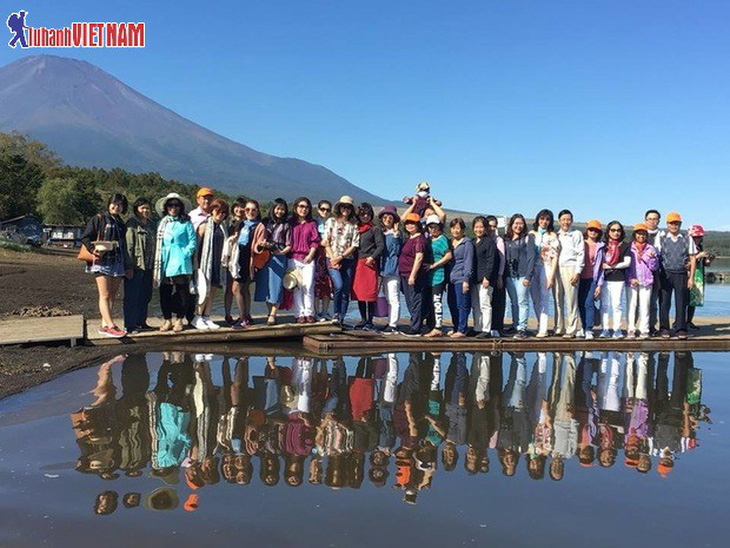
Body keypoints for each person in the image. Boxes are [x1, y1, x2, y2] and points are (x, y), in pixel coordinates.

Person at [81, 193, 131, 338]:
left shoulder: (121, 223)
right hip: (101, 261)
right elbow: (85, 237)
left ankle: (104, 324)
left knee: (113, 295)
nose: (116, 207)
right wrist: (93, 250)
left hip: (117, 261)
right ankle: (111, 325)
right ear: (109, 204)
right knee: (104, 294)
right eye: (114, 203)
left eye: (120, 205)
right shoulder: (99, 218)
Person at [153, 193, 197, 333]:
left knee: (183, 292)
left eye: (176, 205)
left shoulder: (186, 222)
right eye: (170, 205)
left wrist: (184, 254)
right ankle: (167, 320)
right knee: (164, 292)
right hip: (164, 260)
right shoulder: (161, 223)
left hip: (180, 261)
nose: (173, 208)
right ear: (166, 207)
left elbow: (192, 242)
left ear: (181, 207)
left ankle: (179, 319)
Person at [225, 198, 266, 328]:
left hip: (249, 260)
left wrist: (260, 246)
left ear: (258, 211)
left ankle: (243, 319)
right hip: (239, 259)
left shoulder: (260, 226)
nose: (250, 212)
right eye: (247, 209)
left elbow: (258, 246)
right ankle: (247, 315)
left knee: (236, 288)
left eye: (253, 210)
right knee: (244, 289)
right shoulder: (242, 223)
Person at [655, 212, 697, 339]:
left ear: (680, 224)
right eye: (671, 223)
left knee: (681, 302)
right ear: (667, 224)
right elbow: (656, 257)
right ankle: (664, 328)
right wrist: (656, 276)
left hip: (681, 274)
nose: (674, 226)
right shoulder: (661, 237)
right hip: (665, 273)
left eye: (676, 223)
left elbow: (693, 258)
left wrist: (691, 278)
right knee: (664, 302)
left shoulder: (687, 238)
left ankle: (681, 329)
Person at [193, 199, 229, 330]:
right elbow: (196, 247)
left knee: (213, 290)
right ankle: (197, 316)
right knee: (203, 291)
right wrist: (195, 265)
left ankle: (207, 316)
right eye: (218, 211)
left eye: (224, 212)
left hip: (217, 263)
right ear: (212, 210)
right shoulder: (204, 225)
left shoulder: (222, 227)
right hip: (204, 263)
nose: (221, 214)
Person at [255, 198, 292, 325]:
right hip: (265, 255)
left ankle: (273, 314)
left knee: (276, 285)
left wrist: (281, 253)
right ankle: (269, 311)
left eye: (282, 209)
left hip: (279, 256)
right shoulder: (266, 222)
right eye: (278, 208)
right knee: (265, 285)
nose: (280, 211)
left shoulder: (286, 225)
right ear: (273, 208)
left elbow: (289, 244)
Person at [323, 196, 360, 325]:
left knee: (345, 289)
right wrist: (334, 258)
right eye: (343, 206)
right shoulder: (331, 222)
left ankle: (341, 318)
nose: (346, 209)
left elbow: (354, 245)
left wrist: (341, 257)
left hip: (347, 260)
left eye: (348, 207)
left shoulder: (354, 225)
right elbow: (326, 241)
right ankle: (336, 313)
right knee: (338, 285)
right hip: (332, 259)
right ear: (339, 207)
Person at [123, 197, 156, 334]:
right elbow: (128, 246)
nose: (145, 210)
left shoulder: (151, 225)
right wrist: (129, 266)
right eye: (143, 208)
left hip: (148, 266)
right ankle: (130, 324)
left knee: (145, 295)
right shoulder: (132, 224)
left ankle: (141, 322)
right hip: (136, 266)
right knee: (132, 296)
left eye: (148, 208)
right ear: (137, 209)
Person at [352, 203, 385, 330]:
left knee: (370, 294)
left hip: (369, 263)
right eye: (362, 214)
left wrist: (372, 257)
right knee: (360, 293)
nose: (365, 216)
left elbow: (381, 246)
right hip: (358, 263)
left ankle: (370, 321)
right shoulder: (356, 229)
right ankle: (363, 319)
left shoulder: (374, 229)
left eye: (368, 214)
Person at [528, 210, 560, 338]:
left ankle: (543, 329)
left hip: (546, 267)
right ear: (537, 219)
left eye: (547, 219)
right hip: (532, 268)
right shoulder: (531, 234)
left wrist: (551, 276)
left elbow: (555, 256)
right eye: (542, 219)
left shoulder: (552, 236)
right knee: (535, 299)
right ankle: (540, 324)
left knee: (544, 299)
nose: (544, 222)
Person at [290, 197, 321, 323]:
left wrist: (311, 255)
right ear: (296, 207)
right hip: (293, 258)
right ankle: (299, 314)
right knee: (297, 287)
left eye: (306, 207)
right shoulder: (290, 223)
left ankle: (309, 313)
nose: (304, 209)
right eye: (301, 206)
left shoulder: (312, 223)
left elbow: (315, 241)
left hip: (308, 258)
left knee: (308, 286)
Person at [504, 214, 535, 339]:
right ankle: (515, 324)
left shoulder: (528, 238)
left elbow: (532, 257)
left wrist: (528, 276)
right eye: (516, 223)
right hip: (509, 275)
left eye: (521, 223)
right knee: (513, 302)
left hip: (523, 275)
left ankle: (522, 328)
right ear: (511, 225)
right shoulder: (507, 239)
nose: (518, 226)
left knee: (522, 301)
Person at [555, 210, 585, 338]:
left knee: (571, 300)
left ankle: (571, 329)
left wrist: (578, 272)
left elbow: (581, 254)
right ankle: (559, 327)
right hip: (556, 269)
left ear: (571, 221)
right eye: (563, 219)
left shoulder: (576, 234)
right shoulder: (556, 235)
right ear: (559, 221)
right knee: (557, 299)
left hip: (571, 268)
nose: (566, 222)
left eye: (568, 219)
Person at [627, 223, 659, 339]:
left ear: (646, 235)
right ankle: (631, 329)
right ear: (635, 234)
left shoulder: (651, 248)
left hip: (646, 281)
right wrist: (631, 278)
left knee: (645, 306)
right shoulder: (629, 247)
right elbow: (627, 266)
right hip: (632, 281)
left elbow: (654, 267)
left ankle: (644, 330)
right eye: (639, 233)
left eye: (643, 233)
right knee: (632, 306)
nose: (641, 236)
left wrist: (653, 258)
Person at [599, 221, 631, 338]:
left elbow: (627, 262)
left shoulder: (625, 245)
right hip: (605, 278)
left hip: (618, 278)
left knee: (617, 305)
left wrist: (611, 266)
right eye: (613, 230)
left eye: (618, 230)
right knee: (605, 305)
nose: (616, 233)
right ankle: (605, 329)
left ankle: (617, 330)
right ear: (608, 231)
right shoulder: (603, 245)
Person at [399, 213, 427, 336]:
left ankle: (416, 327)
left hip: (413, 274)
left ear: (418, 225)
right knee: (410, 300)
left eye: (413, 223)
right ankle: (416, 323)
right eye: (408, 223)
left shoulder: (419, 239)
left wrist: (413, 275)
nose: (410, 225)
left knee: (416, 300)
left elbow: (419, 257)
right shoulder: (409, 238)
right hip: (404, 273)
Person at [424, 214, 452, 337]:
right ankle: (431, 325)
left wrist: (434, 265)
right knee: (429, 301)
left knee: (437, 301)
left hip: (439, 275)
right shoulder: (429, 239)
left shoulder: (442, 239)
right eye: (430, 227)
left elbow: (448, 255)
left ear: (439, 226)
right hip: (428, 276)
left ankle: (438, 327)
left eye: (435, 226)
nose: (432, 229)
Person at [447, 218, 474, 338]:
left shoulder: (467, 243)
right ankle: (456, 326)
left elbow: (469, 262)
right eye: (453, 228)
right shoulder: (450, 242)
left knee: (462, 304)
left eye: (458, 228)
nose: (456, 230)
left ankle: (462, 329)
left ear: (463, 229)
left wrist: (466, 279)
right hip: (451, 279)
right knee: (451, 303)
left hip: (461, 278)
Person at [578, 220, 604, 339]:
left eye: (596, 230)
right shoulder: (581, 243)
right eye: (591, 230)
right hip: (578, 278)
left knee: (589, 303)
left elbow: (601, 267)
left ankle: (589, 328)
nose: (593, 232)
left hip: (591, 278)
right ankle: (582, 327)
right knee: (580, 303)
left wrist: (599, 284)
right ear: (587, 231)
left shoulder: (601, 246)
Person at [378, 206, 403, 334]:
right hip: (383, 269)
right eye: (385, 217)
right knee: (387, 298)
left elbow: (396, 251)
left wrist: (395, 236)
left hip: (393, 269)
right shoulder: (381, 232)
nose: (387, 219)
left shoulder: (397, 234)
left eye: (390, 217)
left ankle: (393, 324)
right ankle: (389, 321)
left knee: (394, 298)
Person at [471, 216, 497, 339]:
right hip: (474, 278)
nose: (479, 229)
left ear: (485, 228)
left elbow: (491, 260)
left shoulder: (489, 242)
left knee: (485, 304)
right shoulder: (472, 242)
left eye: (481, 227)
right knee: (476, 305)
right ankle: (477, 328)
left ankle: (486, 329)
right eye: (476, 227)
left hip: (485, 279)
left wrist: (487, 277)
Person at [687, 224, 714, 329]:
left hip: (699, 277)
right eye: (696, 237)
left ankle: (689, 321)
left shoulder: (700, 247)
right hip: (687, 277)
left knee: (694, 301)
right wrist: (698, 256)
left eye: (700, 237)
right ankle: (680, 322)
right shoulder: (686, 246)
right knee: (684, 301)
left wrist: (708, 260)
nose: (698, 239)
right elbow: (685, 264)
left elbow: (704, 264)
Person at [314, 200, 334, 321]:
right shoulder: (314, 222)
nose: (325, 212)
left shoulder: (333, 222)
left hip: (330, 254)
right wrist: (319, 242)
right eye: (322, 209)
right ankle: (316, 312)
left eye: (327, 209)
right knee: (316, 284)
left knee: (328, 284)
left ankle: (325, 311)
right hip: (317, 255)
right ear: (318, 209)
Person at [487, 215, 506, 337]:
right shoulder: (482, 239)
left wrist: (500, 275)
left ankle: (497, 326)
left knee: (497, 302)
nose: (492, 229)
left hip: (497, 274)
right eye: (490, 226)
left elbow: (502, 259)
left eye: (494, 226)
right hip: (485, 276)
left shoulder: (499, 240)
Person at [644, 209, 662, 335]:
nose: (652, 221)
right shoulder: (640, 234)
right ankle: (636, 326)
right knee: (639, 302)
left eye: (655, 219)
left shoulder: (663, 235)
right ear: (646, 220)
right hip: (642, 274)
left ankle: (651, 326)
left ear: (658, 221)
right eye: (650, 219)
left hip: (657, 273)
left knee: (653, 302)